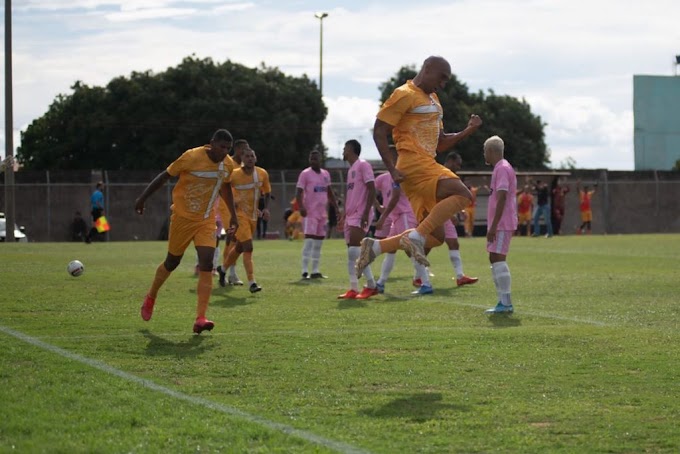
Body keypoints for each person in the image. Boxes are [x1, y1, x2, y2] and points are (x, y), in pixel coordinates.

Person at [356, 55, 482, 279]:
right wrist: (391, 169)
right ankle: (414, 237)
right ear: (427, 68)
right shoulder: (404, 94)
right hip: (413, 164)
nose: (443, 84)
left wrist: (467, 131)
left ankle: (374, 247)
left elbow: (440, 143)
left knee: (436, 237)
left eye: (447, 81)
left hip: (427, 165)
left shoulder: (434, 99)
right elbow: (379, 131)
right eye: (441, 78)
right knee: (462, 194)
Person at [135, 129, 238, 334]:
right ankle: (151, 296)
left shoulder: (227, 164)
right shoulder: (191, 157)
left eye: (228, 148)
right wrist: (143, 198)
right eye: (221, 147)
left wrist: (233, 215)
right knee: (172, 262)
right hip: (182, 218)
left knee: (207, 263)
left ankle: (200, 318)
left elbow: (225, 187)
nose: (224, 152)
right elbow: (165, 176)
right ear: (211, 143)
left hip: (206, 220)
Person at [372, 146, 429, 295]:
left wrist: (382, 216)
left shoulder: (401, 175)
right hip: (395, 218)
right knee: (391, 250)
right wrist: (378, 206)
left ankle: (426, 282)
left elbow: (395, 197)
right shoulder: (383, 178)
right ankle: (381, 283)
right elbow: (369, 189)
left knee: (411, 249)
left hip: (405, 215)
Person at [220, 147, 271, 293]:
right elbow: (222, 188)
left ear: (256, 158)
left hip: (253, 216)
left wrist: (266, 209)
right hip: (238, 216)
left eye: (252, 156)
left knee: (240, 247)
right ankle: (252, 282)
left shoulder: (262, 173)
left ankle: (223, 269)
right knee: (248, 246)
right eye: (246, 156)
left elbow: (267, 192)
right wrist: (231, 202)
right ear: (242, 159)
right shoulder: (234, 175)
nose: (249, 158)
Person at [337, 139, 379, 300]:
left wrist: (365, 212)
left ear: (352, 149)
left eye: (345, 148)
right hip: (351, 215)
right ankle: (353, 289)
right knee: (352, 252)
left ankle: (371, 285)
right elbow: (352, 194)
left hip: (361, 214)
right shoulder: (351, 170)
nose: (343, 151)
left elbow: (371, 189)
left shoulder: (363, 165)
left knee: (356, 250)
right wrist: (344, 213)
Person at [482, 136, 518, 314]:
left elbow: (502, 197)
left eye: (485, 151)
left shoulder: (502, 168)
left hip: (502, 223)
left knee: (498, 257)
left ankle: (506, 302)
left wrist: (494, 226)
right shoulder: (500, 168)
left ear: (491, 151)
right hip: (499, 223)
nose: (484, 155)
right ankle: (502, 301)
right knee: (494, 257)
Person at [296, 149, 339, 279]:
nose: (313, 161)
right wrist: (301, 207)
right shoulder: (305, 174)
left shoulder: (326, 174)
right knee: (309, 241)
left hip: (322, 214)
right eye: (311, 159)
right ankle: (304, 270)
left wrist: (336, 207)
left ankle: (315, 270)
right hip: (310, 213)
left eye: (316, 158)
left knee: (319, 242)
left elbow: (329, 192)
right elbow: (298, 192)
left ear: (320, 160)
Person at [441, 152, 479, 287]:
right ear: (450, 161)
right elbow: (437, 196)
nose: (458, 167)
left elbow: (451, 198)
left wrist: (458, 211)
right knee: (429, 244)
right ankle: (419, 276)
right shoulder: (440, 173)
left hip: (445, 215)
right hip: (434, 213)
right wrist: (450, 214)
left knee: (453, 243)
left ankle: (460, 276)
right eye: (457, 164)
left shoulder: (451, 176)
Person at [216, 139, 249, 286]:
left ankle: (227, 271)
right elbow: (220, 187)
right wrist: (231, 202)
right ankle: (230, 273)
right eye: (244, 150)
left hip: (240, 209)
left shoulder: (243, 168)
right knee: (233, 238)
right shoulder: (227, 164)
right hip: (227, 208)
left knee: (236, 240)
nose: (246, 153)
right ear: (237, 149)